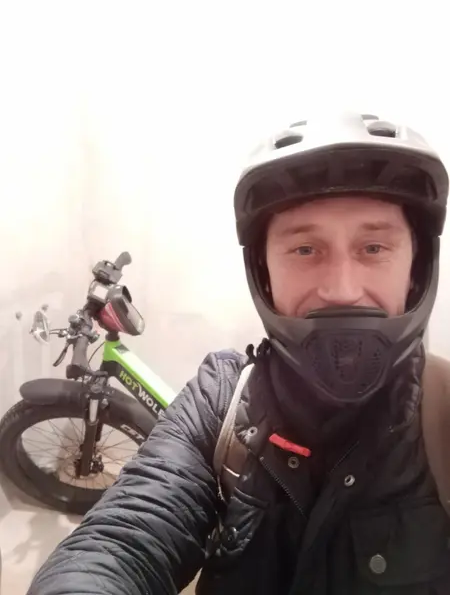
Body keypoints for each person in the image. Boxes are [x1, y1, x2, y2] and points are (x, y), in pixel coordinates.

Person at [28, 112, 450, 594]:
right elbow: (126, 536)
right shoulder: (221, 400)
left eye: (373, 248)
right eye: (305, 250)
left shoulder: (444, 416)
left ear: (416, 268)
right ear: (263, 273)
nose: (341, 289)